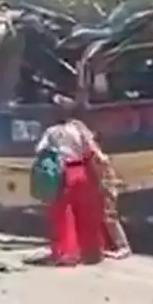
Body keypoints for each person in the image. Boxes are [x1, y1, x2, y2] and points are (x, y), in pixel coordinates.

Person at [31, 95, 106, 266]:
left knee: (64, 215)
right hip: (84, 172)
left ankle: (68, 254)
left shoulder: (51, 132)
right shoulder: (79, 128)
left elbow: (40, 150)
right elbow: (92, 149)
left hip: (64, 173)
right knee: (87, 214)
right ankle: (91, 252)